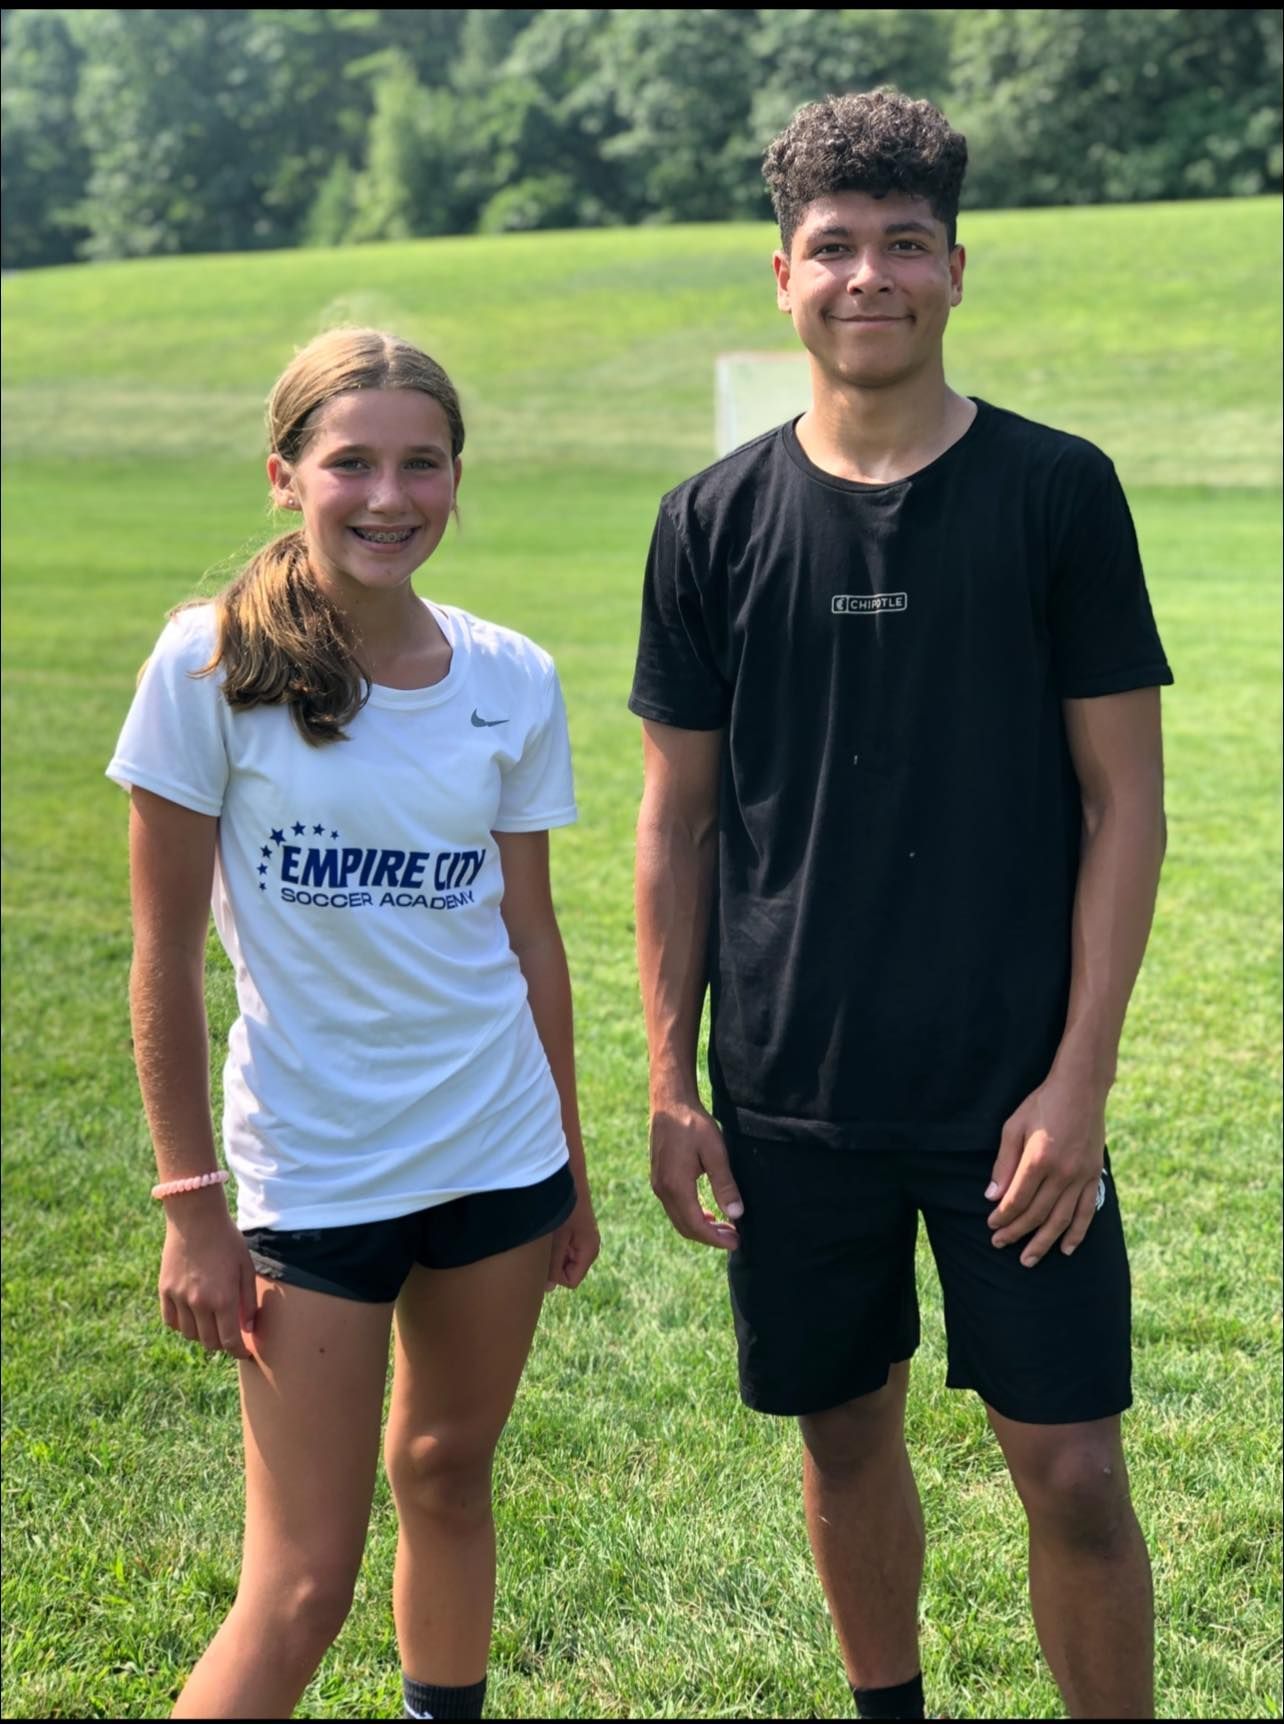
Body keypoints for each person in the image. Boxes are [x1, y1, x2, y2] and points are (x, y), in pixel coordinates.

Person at [631, 90, 1169, 1723]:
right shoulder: (710, 522)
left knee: (1068, 1466)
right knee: (843, 1430)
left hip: (1012, 1095)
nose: (873, 276)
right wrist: (670, 1077)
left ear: (957, 266)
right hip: (793, 1093)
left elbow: (1123, 803)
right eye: (837, 248)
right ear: (781, 276)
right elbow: (682, 822)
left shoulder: (1058, 492)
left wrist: (1078, 1080)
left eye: (906, 245)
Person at [108, 327, 598, 1723]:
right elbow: (163, 954)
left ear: (457, 478)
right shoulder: (208, 669)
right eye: (353, 462)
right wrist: (191, 1201)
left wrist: (570, 1167)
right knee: (304, 1582)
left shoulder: (513, 676)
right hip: (315, 1177)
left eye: (422, 463)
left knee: (448, 1471)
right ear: (286, 476)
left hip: (500, 1163)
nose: (390, 495)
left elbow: (532, 937)